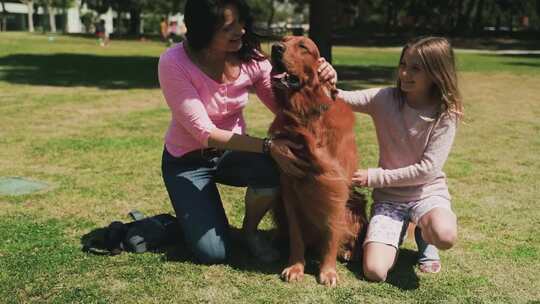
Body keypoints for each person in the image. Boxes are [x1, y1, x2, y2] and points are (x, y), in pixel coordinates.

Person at [158, 0, 335, 264]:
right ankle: (184, 222)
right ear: (204, 30)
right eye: (228, 27)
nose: (240, 31)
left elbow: (285, 107)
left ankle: (250, 232)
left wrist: (323, 82)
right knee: (213, 253)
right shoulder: (174, 62)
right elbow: (203, 132)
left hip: (233, 152)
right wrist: (268, 146)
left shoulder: (250, 57)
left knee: (282, 166)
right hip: (187, 161)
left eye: (241, 22)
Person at [334, 36, 462, 280]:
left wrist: (374, 177)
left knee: (445, 235)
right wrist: (326, 76)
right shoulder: (385, 99)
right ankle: (403, 227)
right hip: (390, 201)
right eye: (403, 64)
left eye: (415, 68)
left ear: (436, 73)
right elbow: (340, 97)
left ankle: (426, 235)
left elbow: (427, 170)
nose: (404, 73)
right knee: (374, 272)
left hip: (426, 195)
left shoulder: (446, 113)